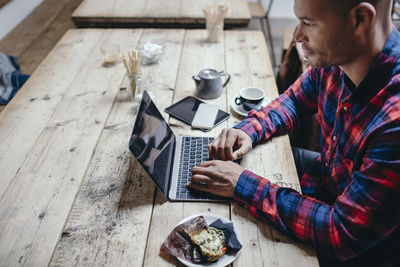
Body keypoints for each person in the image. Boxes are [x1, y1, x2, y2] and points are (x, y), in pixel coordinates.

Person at [187, 0, 400, 266]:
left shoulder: (393, 123)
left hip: (357, 250)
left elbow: (340, 233)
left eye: (309, 23)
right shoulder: (339, 58)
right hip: (324, 181)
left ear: (359, 19)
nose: (298, 36)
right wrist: (249, 131)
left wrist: (241, 184)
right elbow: (296, 100)